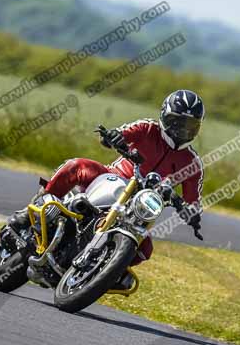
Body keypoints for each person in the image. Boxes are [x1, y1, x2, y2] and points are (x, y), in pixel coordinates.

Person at [39, 90, 206, 287]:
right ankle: (45, 199)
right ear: (164, 115)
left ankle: (105, 270)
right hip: (113, 178)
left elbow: (193, 199)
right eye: (177, 122)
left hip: (141, 206)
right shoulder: (147, 128)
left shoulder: (192, 163)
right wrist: (114, 137)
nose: (182, 130)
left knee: (145, 249)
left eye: (190, 126)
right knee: (78, 166)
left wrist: (192, 213)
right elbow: (120, 133)